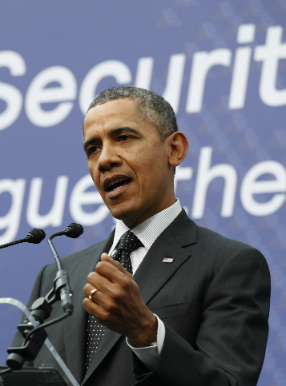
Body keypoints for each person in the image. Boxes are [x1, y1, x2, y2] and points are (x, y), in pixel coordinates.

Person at [17, 86, 271, 386]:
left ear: (174, 149)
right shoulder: (56, 277)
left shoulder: (230, 264)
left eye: (123, 138)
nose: (104, 160)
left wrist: (146, 331)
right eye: (93, 149)